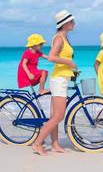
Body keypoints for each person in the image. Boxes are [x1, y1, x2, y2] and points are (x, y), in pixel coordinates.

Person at [32, 10, 77, 156]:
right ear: (65, 23)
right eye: (71, 21)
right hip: (59, 80)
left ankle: (55, 144)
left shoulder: (63, 37)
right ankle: (37, 143)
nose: (74, 23)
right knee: (59, 116)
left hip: (61, 78)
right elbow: (51, 57)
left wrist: (71, 68)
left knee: (54, 115)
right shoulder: (59, 38)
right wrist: (69, 62)